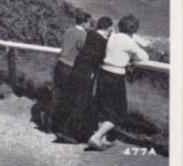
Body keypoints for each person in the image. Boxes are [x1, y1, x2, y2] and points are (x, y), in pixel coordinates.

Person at [88, 14, 149, 150]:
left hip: (103, 73)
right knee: (118, 113)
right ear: (133, 30)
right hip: (115, 76)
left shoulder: (112, 36)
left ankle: (101, 139)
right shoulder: (128, 42)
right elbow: (144, 57)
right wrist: (135, 45)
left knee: (103, 108)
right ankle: (96, 137)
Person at [56, 16, 114, 144]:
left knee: (73, 99)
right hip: (87, 73)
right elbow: (99, 58)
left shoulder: (90, 35)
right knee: (81, 103)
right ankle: (70, 133)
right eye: (111, 27)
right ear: (108, 27)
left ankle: (69, 129)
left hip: (76, 69)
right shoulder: (102, 42)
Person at [50, 10, 92, 133]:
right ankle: (62, 127)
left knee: (56, 95)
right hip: (70, 67)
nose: (90, 25)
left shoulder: (69, 30)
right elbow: (83, 49)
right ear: (85, 22)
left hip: (60, 64)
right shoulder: (83, 35)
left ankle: (50, 123)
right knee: (68, 98)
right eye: (89, 22)